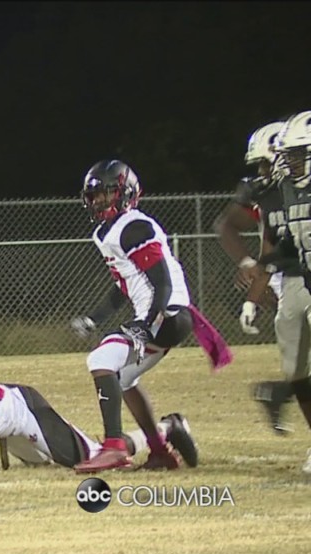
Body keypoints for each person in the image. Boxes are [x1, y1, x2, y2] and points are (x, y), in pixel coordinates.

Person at [69, 160, 232, 473]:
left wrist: (146, 323)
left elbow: (163, 284)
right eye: (94, 196)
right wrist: (94, 317)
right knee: (124, 379)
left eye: (105, 194)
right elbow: (125, 286)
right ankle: (160, 451)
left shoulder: (134, 227)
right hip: (164, 315)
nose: (98, 201)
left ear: (125, 193)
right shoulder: (108, 232)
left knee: (101, 360)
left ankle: (114, 446)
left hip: (167, 314)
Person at [0, 344, 197, 476]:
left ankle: (167, 426)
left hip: (24, 414)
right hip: (3, 417)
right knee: (40, 466)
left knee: (93, 459)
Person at [216, 120, 294, 435]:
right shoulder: (269, 193)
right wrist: (252, 267)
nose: (262, 172)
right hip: (289, 276)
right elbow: (234, 228)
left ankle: (277, 393)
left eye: (264, 163)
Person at [263, 110, 311, 474]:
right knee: (296, 369)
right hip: (304, 281)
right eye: (289, 155)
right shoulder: (287, 189)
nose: (291, 163)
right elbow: (291, 246)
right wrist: (261, 267)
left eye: (299, 155)